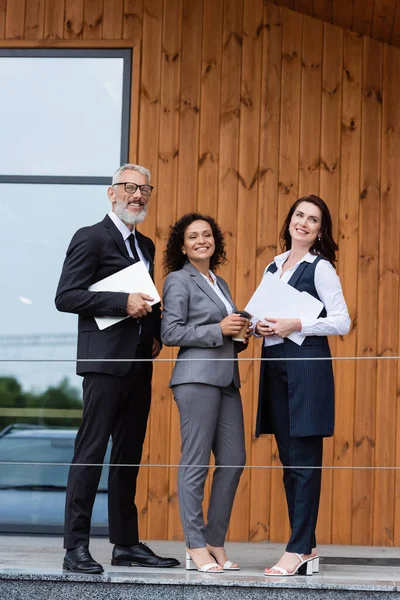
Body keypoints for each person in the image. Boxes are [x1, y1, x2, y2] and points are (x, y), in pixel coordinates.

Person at [55, 164, 179, 574]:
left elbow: (148, 297)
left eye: (145, 189)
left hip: (140, 362)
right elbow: (66, 296)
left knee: (128, 456)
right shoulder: (90, 237)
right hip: (104, 364)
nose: (138, 195)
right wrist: (121, 301)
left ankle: (125, 543)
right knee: (90, 453)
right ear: (112, 193)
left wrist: (156, 329)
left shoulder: (145, 244)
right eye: (129, 188)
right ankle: (75, 547)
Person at [254, 195, 350, 577]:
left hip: (307, 368)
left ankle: (296, 549)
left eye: (313, 220)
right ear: (290, 220)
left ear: (320, 230)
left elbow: (342, 321)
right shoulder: (273, 266)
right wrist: (257, 326)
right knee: (289, 463)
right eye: (299, 215)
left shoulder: (321, 268)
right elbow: (262, 316)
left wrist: (298, 324)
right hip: (275, 368)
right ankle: (305, 547)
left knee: (305, 463)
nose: (304, 223)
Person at [161, 213, 248, 573]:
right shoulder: (178, 280)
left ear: (216, 241)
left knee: (234, 460)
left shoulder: (220, 282)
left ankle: (214, 541)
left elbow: (223, 333)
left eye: (207, 234)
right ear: (182, 246)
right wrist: (219, 329)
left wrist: (240, 332)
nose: (201, 240)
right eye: (193, 236)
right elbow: (171, 332)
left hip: (227, 380)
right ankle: (195, 545)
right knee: (195, 462)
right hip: (195, 380)